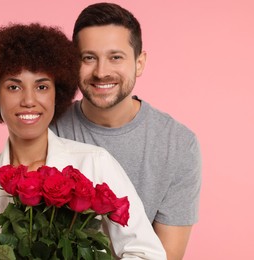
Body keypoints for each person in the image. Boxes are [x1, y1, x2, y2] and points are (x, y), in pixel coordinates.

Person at [0, 23, 166, 259]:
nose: (28, 100)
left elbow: (147, 253)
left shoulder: (95, 164)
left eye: (41, 86)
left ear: (56, 93)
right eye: (13, 87)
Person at [50, 2, 202, 260]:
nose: (101, 72)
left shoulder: (178, 144)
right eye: (88, 58)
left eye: (115, 57)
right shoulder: (51, 129)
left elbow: (167, 255)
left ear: (139, 63)